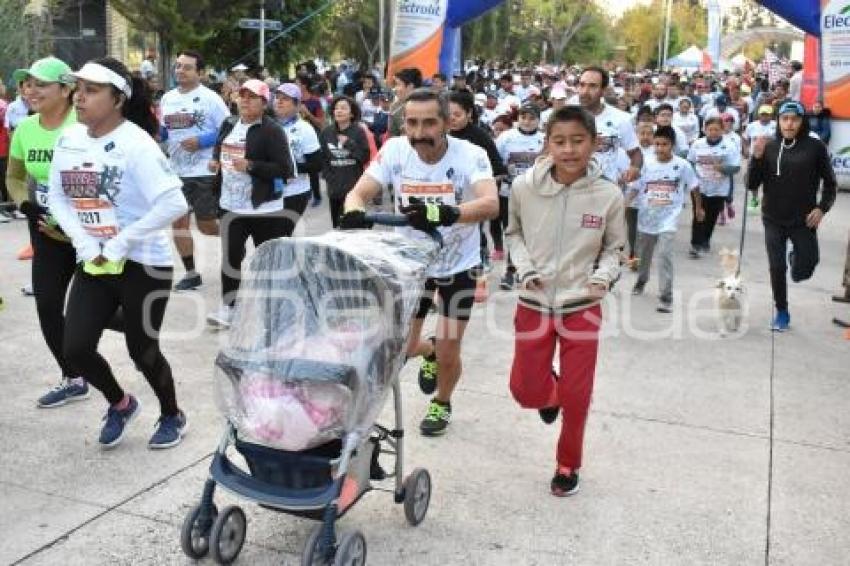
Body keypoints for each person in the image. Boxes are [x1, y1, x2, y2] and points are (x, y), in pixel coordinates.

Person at [48, 57, 190, 449]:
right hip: (94, 260)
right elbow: (58, 197)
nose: (80, 98)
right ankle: (121, 403)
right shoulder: (69, 140)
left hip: (145, 262)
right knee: (75, 347)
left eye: (92, 91)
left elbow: (173, 203)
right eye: (79, 89)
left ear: (117, 99)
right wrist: (82, 241)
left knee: (142, 350)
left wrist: (120, 242)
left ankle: (172, 414)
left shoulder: (136, 145)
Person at [340, 88, 499, 436]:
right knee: (408, 346)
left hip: (460, 265)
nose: (419, 132)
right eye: (411, 123)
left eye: (429, 123)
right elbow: (358, 192)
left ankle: (442, 401)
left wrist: (449, 212)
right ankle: (427, 352)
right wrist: (354, 212)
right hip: (412, 264)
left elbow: (490, 204)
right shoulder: (396, 149)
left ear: (445, 123)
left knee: (449, 347)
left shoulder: (471, 153)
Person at [505, 105, 625, 497]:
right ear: (547, 144)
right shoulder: (524, 187)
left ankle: (567, 463)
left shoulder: (608, 194)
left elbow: (615, 248)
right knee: (525, 390)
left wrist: (603, 277)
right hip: (533, 302)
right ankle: (549, 395)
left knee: (579, 398)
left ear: (594, 143)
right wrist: (524, 269)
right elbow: (513, 234)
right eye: (559, 141)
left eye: (578, 141)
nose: (569, 150)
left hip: (582, 307)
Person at [5, 57, 85, 406]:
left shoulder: (84, 125)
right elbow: (14, 177)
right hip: (46, 233)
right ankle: (73, 376)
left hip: (89, 235)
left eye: (40, 83)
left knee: (104, 310)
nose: (30, 90)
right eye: (26, 83)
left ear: (66, 90)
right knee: (48, 304)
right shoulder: (25, 128)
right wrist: (25, 205)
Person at [204, 80, 296, 329]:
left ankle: (274, 309)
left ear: (264, 103)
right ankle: (229, 308)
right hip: (230, 205)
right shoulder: (229, 123)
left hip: (263, 208)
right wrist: (215, 162)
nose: (245, 100)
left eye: (252, 97)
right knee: (231, 257)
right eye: (242, 95)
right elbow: (219, 148)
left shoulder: (272, 130)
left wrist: (252, 166)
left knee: (267, 261)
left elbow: (285, 169)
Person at [747, 101, 837, 331]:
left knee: (805, 268)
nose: (789, 123)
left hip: (803, 219)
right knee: (776, 268)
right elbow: (752, 184)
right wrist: (756, 158)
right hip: (773, 218)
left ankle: (796, 261)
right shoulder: (769, 146)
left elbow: (830, 183)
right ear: (778, 121)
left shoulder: (815, 148)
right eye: (784, 118)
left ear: (802, 121)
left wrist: (821, 208)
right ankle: (782, 311)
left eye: (794, 119)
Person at [159, 50, 230, 291]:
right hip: (175, 171)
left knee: (206, 226)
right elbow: (165, 130)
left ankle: (238, 237)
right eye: (178, 66)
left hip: (203, 171)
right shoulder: (167, 99)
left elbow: (229, 129)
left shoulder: (211, 98)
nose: (180, 71)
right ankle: (191, 273)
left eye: (187, 67)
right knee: (178, 225)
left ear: (200, 73)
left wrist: (202, 141)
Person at [627, 126, 701, 313]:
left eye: (664, 144)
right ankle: (642, 279)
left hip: (669, 219)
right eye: (657, 144)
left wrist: (699, 209)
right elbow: (635, 187)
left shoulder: (682, 165)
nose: (660, 148)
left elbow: (694, 187)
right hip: (647, 217)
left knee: (665, 255)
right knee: (644, 255)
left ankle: (666, 296)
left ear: (672, 145)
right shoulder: (646, 164)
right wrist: (624, 203)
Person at [446, 90, 508, 302]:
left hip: (474, 200)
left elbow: (498, 169)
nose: (451, 119)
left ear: (469, 113)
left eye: (457, 114)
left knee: (473, 238)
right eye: (447, 114)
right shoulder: (439, 135)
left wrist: (483, 191)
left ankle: (477, 280)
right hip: (445, 197)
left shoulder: (479, 138)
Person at [495, 103, 545, 290]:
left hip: (536, 194)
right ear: (518, 119)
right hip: (508, 193)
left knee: (529, 233)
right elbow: (495, 162)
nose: (527, 121)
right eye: (523, 117)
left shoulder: (544, 139)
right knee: (511, 232)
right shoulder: (506, 138)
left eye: (532, 118)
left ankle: (520, 269)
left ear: (538, 120)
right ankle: (511, 270)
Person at [577, 67, 642, 186]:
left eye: (592, 86)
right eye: (582, 85)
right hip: (572, 188)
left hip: (605, 189)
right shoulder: (566, 116)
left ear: (603, 90)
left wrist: (634, 168)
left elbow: (635, 152)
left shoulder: (620, 119)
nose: (585, 91)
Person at [688, 117, 741, 258]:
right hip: (699, 186)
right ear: (704, 130)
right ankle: (696, 244)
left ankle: (705, 240)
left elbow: (736, 168)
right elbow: (690, 162)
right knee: (698, 213)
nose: (713, 132)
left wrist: (723, 168)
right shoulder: (697, 144)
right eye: (710, 129)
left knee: (711, 216)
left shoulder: (729, 145)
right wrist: (692, 178)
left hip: (719, 188)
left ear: (722, 130)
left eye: (716, 129)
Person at [320, 95, 370, 227]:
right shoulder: (326, 133)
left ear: (352, 113)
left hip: (354, 190)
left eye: (343, 108)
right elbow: (323, 159)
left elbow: (365, 157)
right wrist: (329, 177)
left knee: (353, 228)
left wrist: (349, 143)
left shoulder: (359, 132)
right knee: (337, 226)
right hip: (334, 189)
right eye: (336, 108)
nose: (339, 111)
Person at [389, 67, 423, 137]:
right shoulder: (395, 108)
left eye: (398, 84)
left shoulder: (430, 106)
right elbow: (393, 136)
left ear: (410, 87)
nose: (395, 89)